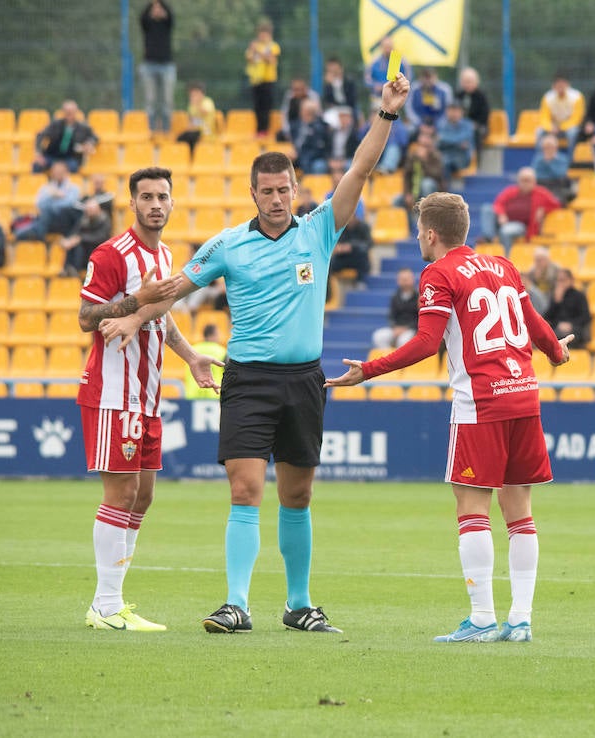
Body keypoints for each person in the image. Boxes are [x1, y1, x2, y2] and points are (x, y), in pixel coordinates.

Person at [100, 72, 415, 636]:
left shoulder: (319, 230)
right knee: (245, 489)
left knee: (297, 494)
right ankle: (236, 604)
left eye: (284, 189)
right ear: (253, 194)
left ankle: (299, 605)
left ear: (295, 189)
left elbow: (360, 169)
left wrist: (385, 114)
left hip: (303, 381)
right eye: (266, 190)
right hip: (247, 379)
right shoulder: (228, 244)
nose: (276, 198)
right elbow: (174, 289)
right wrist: (131, 314)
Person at [326, 192, 572, 642]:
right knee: (519, 511)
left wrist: (369, 370)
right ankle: (520, 619)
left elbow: (425, 342)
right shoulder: (504, 265)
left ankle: (481, 619)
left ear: (433, 234)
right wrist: (556, 350)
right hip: (524, 394)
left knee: (472, 508)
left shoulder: (438, 273)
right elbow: (533, 319)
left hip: (481, 402)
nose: (418, 238)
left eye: (419, 230)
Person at [75, 167, 220, 631]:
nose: (155, 204)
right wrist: (132, 302)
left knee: (144, 496)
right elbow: (85, 317)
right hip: (113, 393)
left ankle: (113, 600)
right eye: (147, 197)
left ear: (173, 203)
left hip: (148, 395)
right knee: (121, 493)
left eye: (163, 196)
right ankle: (105, 604)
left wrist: (191, 355)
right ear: (131, 203)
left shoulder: (166, 254)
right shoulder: (111, 254)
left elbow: (162, 318)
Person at [482, 167, 561, 253]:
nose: (525, 183)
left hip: (522, 226)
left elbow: (557, 204)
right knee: (487, 209)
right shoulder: (511, 191)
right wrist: (501, 214)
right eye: (523, 180)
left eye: (528, 180)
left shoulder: (541, 193)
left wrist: (544, 209)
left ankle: (506, 256)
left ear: (534, 181)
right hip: (504, 221)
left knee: (506, 230)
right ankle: (489, 239)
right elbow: (498, 203)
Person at [15, 160, 83, 241]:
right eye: (55, 171)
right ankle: (35, 233)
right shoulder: (47, 188)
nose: (57, 174)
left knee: (47, 212)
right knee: (20, 232)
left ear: (66, 172)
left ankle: (38, 234)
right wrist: (52, 196)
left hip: (63, 221)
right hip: (48, 221)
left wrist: (55, 200)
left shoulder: (73, 188)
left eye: (60, 172)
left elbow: (70, 204)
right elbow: (39, 204)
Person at [32, 100, 99, 173]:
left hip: (71, 158)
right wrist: (39, 154)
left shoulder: (83, 127)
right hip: (52, 156)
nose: (69, 114)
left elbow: (95, 137)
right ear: (63, 112)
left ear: (76, 112)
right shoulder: (55, 125)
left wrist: (89, 143)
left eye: (71, 112)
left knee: (73, 168)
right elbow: (40, 135)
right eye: (67, 112)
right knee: (37, 165)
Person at [139, 0, 175, 134]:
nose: (157, 10)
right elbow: (142, 17)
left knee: (167, 100)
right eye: (155, 8)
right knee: (150, 100)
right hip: (149, 66)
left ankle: (166, 130)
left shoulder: (167, 24)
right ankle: (152, 129)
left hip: (166, 65)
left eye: (160, 8)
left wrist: (161, 3)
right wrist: (151, 4)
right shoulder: (147, 25)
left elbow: (171, 15)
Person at [244, 20, 280, 139]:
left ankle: (265, 130)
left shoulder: (273, 46)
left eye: (264, 33)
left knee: (266, 107)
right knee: (257, 107)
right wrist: (254, 50)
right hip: (256, 81)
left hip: (268, 80)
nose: (262, 36)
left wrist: (258, 51)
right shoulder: (254, 46)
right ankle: (259, 130)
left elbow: (271, 60)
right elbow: (249, 59)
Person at [60, 198, 112, 277]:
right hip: (85, 253)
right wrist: (68, 241)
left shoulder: (105, 219)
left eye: (91, 209)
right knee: (72, 244)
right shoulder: (84, 219)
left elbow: (101, 237)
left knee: (78, 244)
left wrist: (80, 239)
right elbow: (76, 232)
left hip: (99, 252)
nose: (89, 212)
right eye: (88, 209)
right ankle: (67, 268)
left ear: (98, 209)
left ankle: (74, 269)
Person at [543, 268, 590, 350]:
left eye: (563, 280)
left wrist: (570, 324)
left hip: (574, 329)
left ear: (571, 280)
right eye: (558, 280)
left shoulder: (579, 296)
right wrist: (556, 302)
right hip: (557, 328)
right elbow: (547, 317)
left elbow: (585, 317)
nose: (560, 283)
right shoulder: (554, 296)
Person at [372, 267, 419, 349]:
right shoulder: (395, 297)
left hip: (412, 329)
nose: (404, 282)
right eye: (402, 279)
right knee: (379, 336)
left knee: (403, 340)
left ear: (412, 279)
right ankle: (388, 359)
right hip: (396, 328)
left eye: (406, 279)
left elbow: (419, 318)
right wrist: (394, 327)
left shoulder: (419, 297)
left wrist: (406, 328)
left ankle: (401, 361)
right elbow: (391, 316)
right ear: (398, 281)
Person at [536, 73, 585, 148]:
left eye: (563, 84)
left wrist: (561, 127)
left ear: (568, 84)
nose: (560, 87)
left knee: (572, 133)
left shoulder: (577, 97)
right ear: (553, 86)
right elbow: (543, 117)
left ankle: (570, 159)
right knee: (539, 132)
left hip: (568, 128)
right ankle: (540, 159)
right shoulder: (548, 98)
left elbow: (577, 118)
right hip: (552, 128)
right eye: (558, 85)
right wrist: (550, 127)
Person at [185, 324, 228, 400]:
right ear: (211, 335)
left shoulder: (192, 350)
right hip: (214, 394)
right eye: (217, 334)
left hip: (192, 394)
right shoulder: (222, 351)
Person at [454, 67, 491, 152]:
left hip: (478, 125)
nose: (467, 84)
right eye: (465, 82)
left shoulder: (482, 96)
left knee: (476, 133)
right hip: (460, 124)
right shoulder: (458, 95)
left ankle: (475, 159)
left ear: (476, 82)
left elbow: (485, 114)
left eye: (469, 82)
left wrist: (475, 124)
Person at [436, 102, 476, 178]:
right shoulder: (442, 125)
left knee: (444, 163)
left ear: (462, 112)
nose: (454, 114)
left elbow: (463, 138)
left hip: (462, 157)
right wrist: (457, 143)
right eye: (451, 111)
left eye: (456, 111)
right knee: (437, 161)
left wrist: (444, 139)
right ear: (446, 112)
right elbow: (439, 143)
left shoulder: (468, 125)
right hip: (445, 155)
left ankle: (444, 188)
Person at [176, 82, 217, 153]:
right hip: (196, 131)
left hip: (206, 132)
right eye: (191, 95)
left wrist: (197, 103)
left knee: (191, 137)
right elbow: (192, 122)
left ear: (201, 93)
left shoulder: (207, 101)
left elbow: (205, 111)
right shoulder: (191, 106)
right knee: (181, 138)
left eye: (195, 94)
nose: (192, 96)